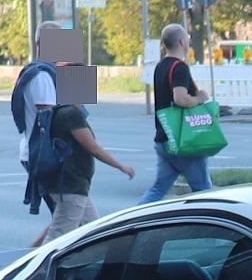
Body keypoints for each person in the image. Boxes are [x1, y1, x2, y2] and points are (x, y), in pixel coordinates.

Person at [33, 99, 134, 245]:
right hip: (70, 184)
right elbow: (92, 147)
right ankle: (37, 266)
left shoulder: (58, 112)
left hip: (67, 184)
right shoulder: (71, 114)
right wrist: (120, 166)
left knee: (93, 231)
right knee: (58, 239)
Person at [141, 24, 216, 203]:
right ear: (182, 42)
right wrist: (199, 98)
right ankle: (207, 227)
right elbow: (180, 99)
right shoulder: (179, 67)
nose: (189, 40)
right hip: (183, 141)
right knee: (204, 191)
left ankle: (131, 220)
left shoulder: (160, 67)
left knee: (158, 189)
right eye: (187, 38)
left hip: (163, 138)